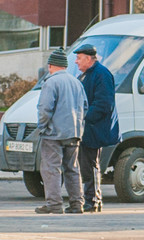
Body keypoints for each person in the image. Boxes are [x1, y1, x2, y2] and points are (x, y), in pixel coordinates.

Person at [35, 47, 87, 214]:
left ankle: (55, 205)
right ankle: (77, 204)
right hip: (74, 132)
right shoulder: (77, 82)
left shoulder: (51, 82)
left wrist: (42, 127)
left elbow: (45, 109)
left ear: (50, 66)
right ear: (65, 66)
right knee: (72, 168)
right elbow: (85, 107)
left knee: (51, 168)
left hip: (53, 133)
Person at [74, 44, 121, 213]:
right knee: (86, 164)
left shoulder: (101, 74)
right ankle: (90, 198)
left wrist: (83, 118)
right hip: (88, 127)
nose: (76, 61)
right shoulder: (86, 75)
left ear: (89, 58)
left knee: (91, 164)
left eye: (79, 58)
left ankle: (93, 200)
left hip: (95, 128)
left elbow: (104, 103)